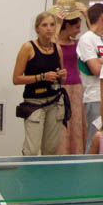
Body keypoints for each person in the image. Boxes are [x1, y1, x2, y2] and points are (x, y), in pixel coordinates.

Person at [12, 12, 67, 155]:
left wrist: (62, 76)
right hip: (35, 102)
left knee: (51, 149)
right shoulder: (28, 48)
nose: (49, 28)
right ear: (37, 28)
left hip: (55, 101)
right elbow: (16, 79)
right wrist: (42, 77)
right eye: (44, 25)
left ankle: (47, 170)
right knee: (32, 149)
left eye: (52, 25)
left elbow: (61, 80)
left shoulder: (57, 48)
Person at [50, 0, 87, 155]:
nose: (79, 30)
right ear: (67, 26)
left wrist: (86, 15)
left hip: (76, 87)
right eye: (76, 27)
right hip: (59, 88)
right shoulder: (53, 43)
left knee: (76, 125)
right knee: (60, 125)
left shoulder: (77, 43)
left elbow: (93, 37)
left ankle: (77, 155)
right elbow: (51, 47)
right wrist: (58, 23)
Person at [76, 3, 103, 153]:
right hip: (95, 97)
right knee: (94, 140)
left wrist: (102, 60)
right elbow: (96, 69)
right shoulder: (86, 39)